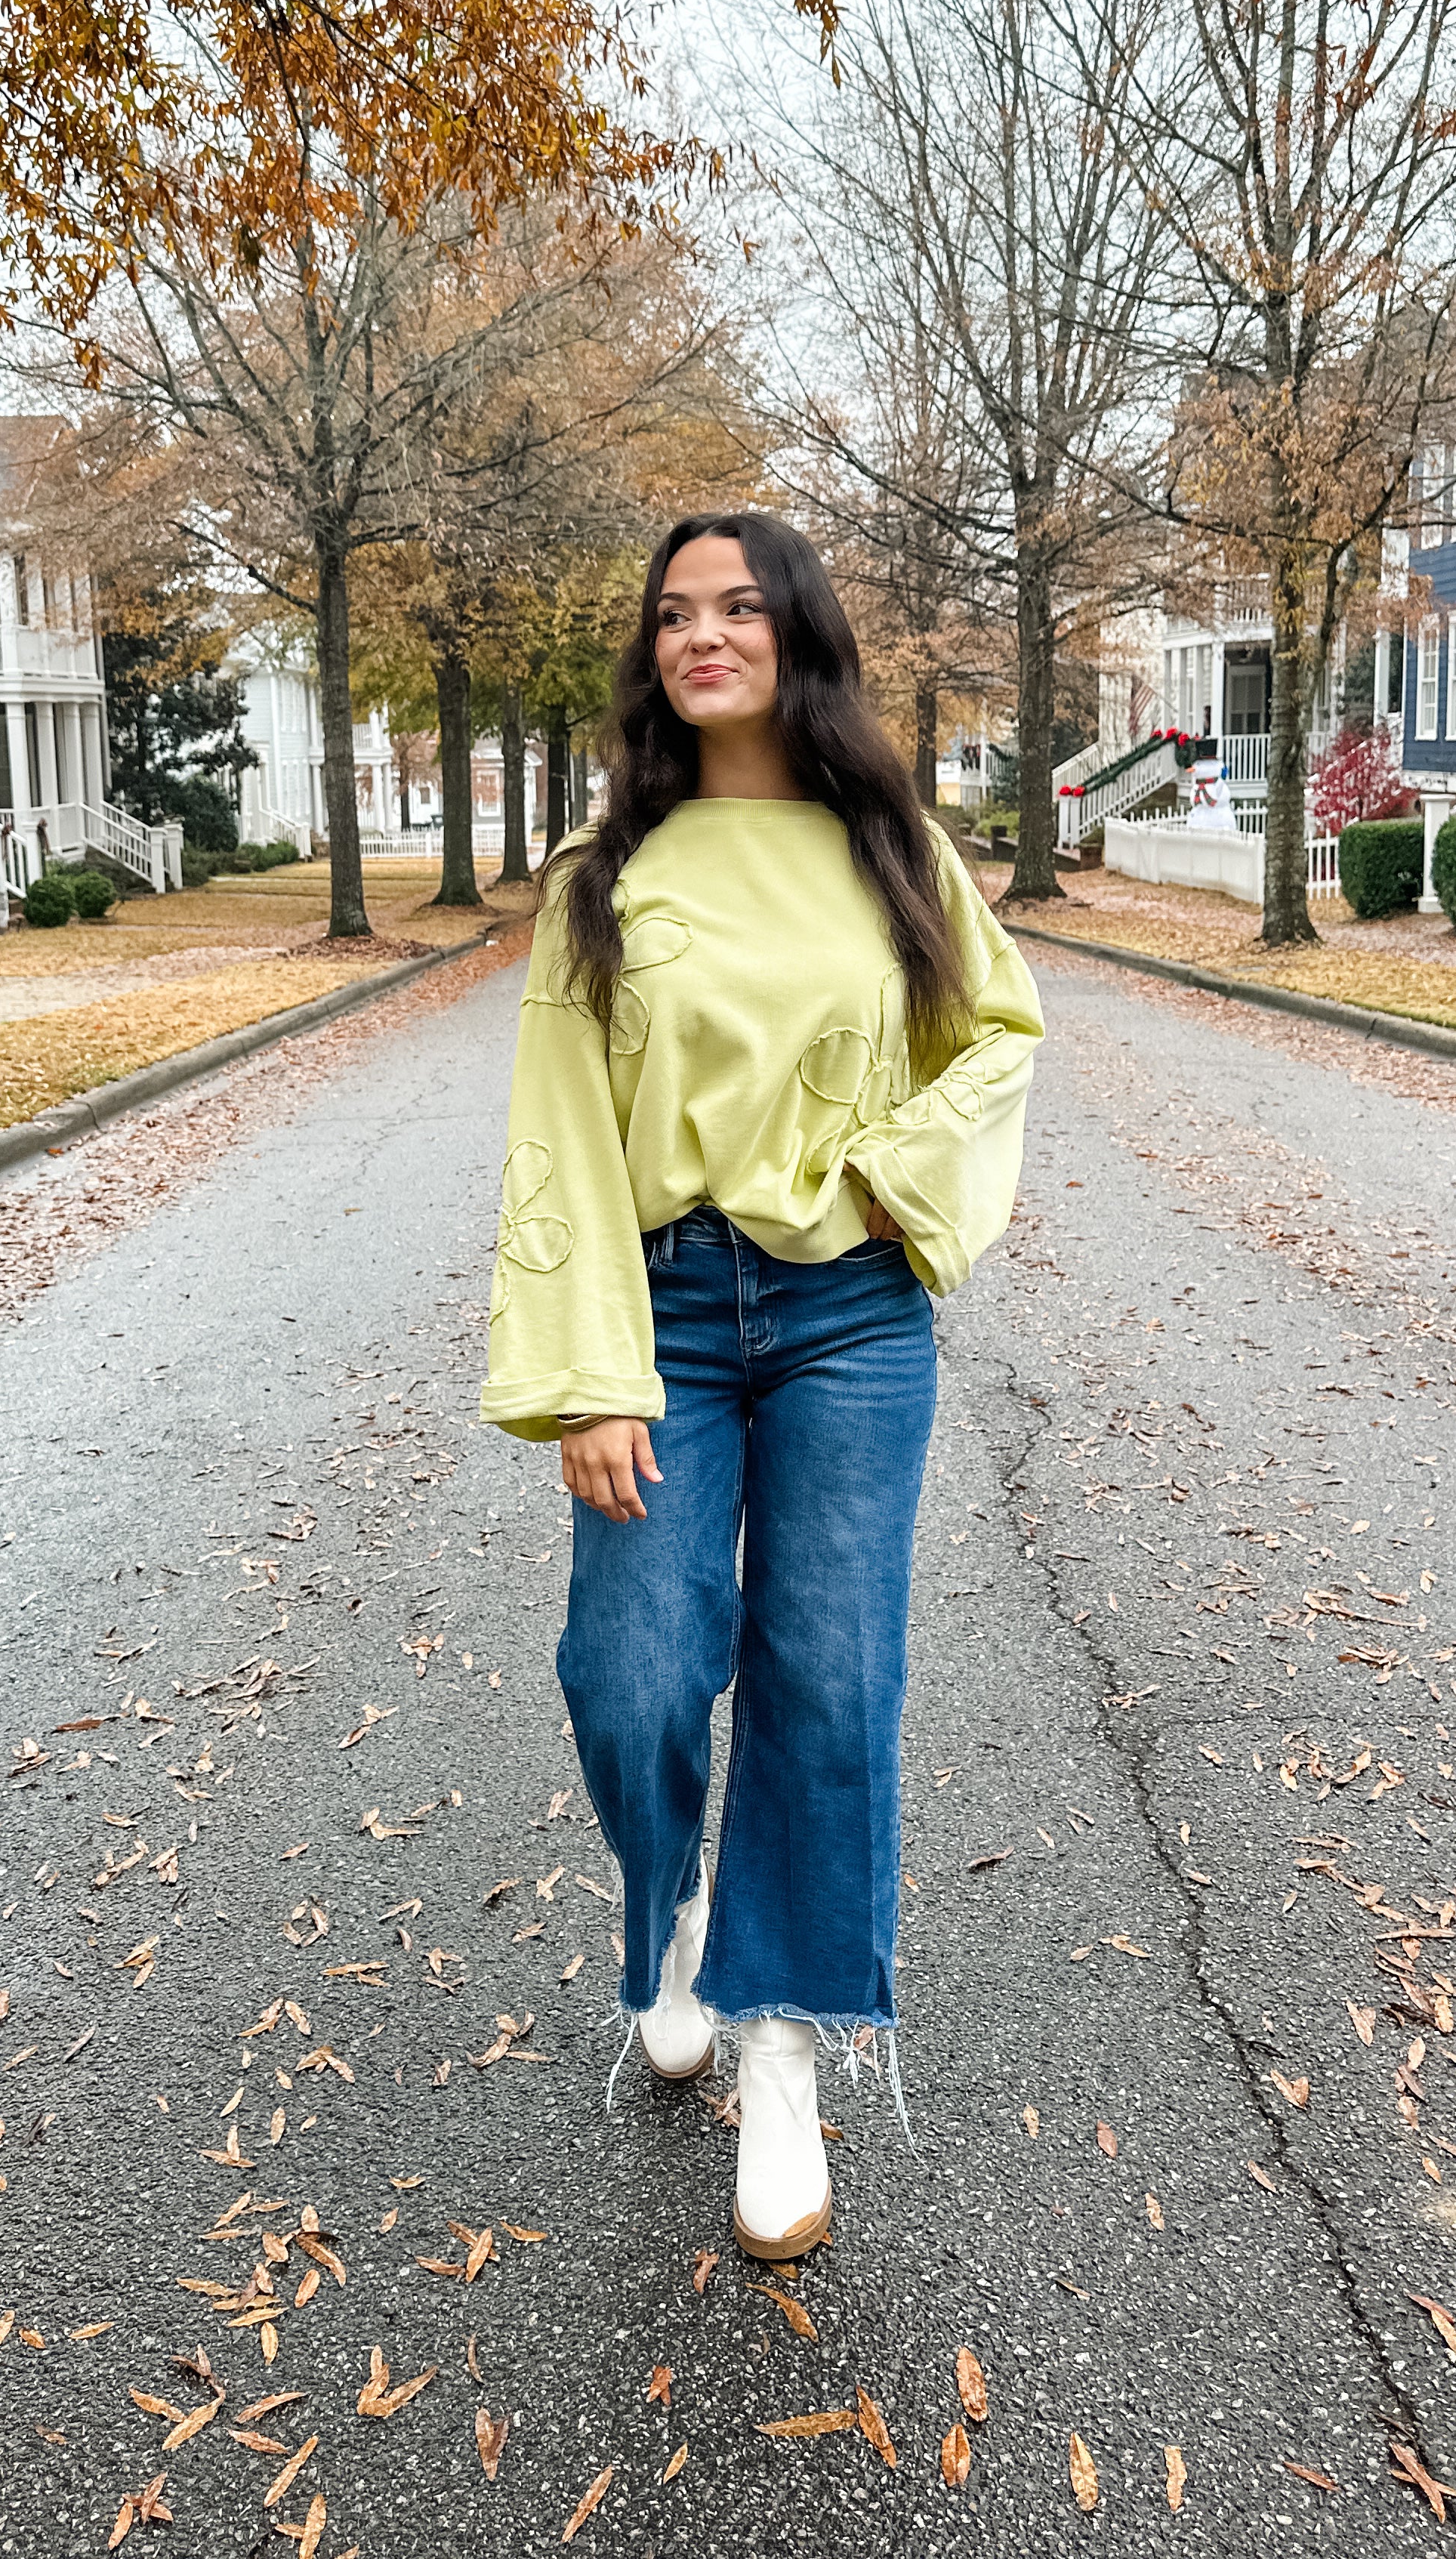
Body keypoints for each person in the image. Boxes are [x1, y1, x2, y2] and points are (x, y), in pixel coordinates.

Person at [480, 511, 1042, 2258]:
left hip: (853, 1312)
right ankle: (674, 1932)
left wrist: (886, 1182)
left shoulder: (891, 848)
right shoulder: (608, 874)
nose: (701, 634)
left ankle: (784, 2047)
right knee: (636, 1673)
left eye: (736, 606)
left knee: (829, 1669)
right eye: (672, 614)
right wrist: (588, 1374)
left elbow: (998, 1039)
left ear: (796, 629)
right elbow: (559, 1134)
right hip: (659, 1305)